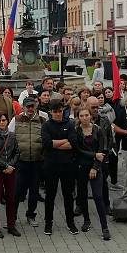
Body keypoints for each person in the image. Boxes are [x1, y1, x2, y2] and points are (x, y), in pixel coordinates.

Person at [41, 100, 79, 235]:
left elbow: (73, 143)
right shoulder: (46, 126)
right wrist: (64, 141)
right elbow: (46, 144)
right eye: (55, 111)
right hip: (51, 166)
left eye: (60, 111)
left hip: (67, 166)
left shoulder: (69, 124)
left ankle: (70, 223)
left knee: (68, 195)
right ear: (51, 112)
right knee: (50, 195)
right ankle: (48, 223)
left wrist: (55, 144)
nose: (58, 114)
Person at [74, 108, 110, 240]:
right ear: (78, 117)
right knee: (82, 195)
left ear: (90, 116)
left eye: (86, 115)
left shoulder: (98, 130)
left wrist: (95, 167)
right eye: (81, 115)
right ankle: (86, 220)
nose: (84, 118)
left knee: (98, 196)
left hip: (96, 167)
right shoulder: (76, 131)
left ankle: (104, 227)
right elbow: (77, 150)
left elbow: (102, 150)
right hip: (81, 166)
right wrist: (94, 155)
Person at [10, 97, 45, 228]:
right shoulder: (16, 119)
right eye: (28, 106)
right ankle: (12, 216)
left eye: (32, 106)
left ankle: (31, 214)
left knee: (34, 191)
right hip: (21, 162)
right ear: (23, 107)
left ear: (35, 106)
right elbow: (10, 137)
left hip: (36, 161)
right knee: (17, 191)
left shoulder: (42, 120)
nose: (30, 109)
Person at [0, 112, 20, 238]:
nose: (2, 122)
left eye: (4, 120)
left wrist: (11, 166)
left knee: (11, 198)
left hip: (11, 171)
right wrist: (5, 166)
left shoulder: (12, 135)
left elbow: (17, 152)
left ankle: (11, 225)